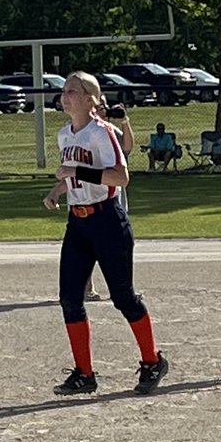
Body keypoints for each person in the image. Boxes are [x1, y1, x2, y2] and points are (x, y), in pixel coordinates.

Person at [43, 71, 168, 396]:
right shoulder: (64, 135)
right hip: (78, 223)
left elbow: (120, 177)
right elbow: (75, 177)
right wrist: (58, 191)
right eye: (65, 90)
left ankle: (153, 361)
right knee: (70, 299)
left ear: (90, 100)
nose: (65, 94)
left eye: (73, 90)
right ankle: (84, 374)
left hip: (108, 221)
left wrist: (77, 171)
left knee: (123, 297)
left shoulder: (101, 133)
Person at [85, 102, 133, 301]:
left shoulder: (110, 130)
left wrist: (124, 121)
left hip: (115, 194)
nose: (104, 109)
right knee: (88, 244)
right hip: (92, 195)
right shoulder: (83, 132)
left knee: (120, 243)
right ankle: (87, 286)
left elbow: (128, 147)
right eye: (99, 106)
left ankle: (123, 289)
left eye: (105, 106)